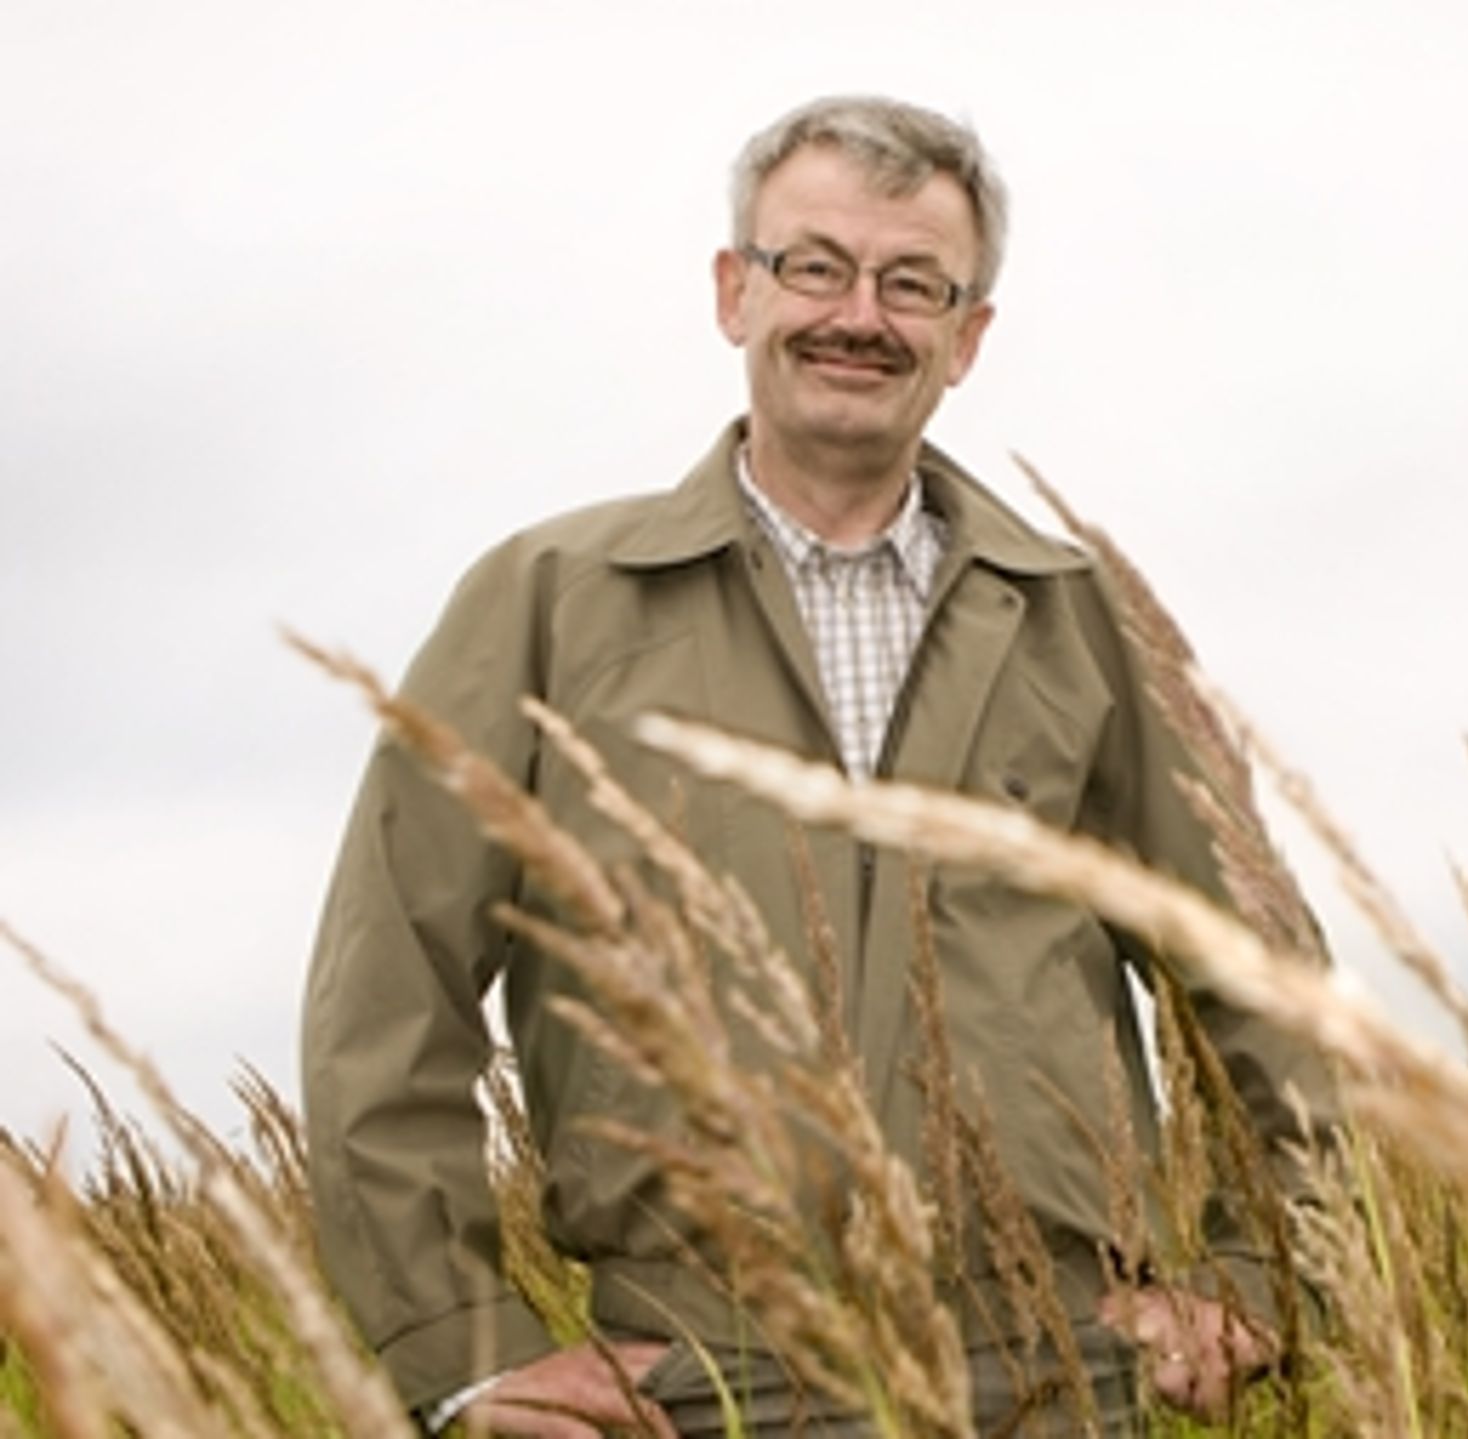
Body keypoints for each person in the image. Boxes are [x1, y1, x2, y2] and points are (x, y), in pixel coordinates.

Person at [302, 95, 1334, 1437]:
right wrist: (460, 1346)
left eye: (914, 283)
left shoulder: (1082, 617)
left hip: (1061, 1381)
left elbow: (1256, 965)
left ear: (967, 339)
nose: (860, 314)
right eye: (815, 266)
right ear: (736, 293)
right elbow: (388, 981)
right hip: (701, 1387)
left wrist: (1265, 1273)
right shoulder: (546, 602)